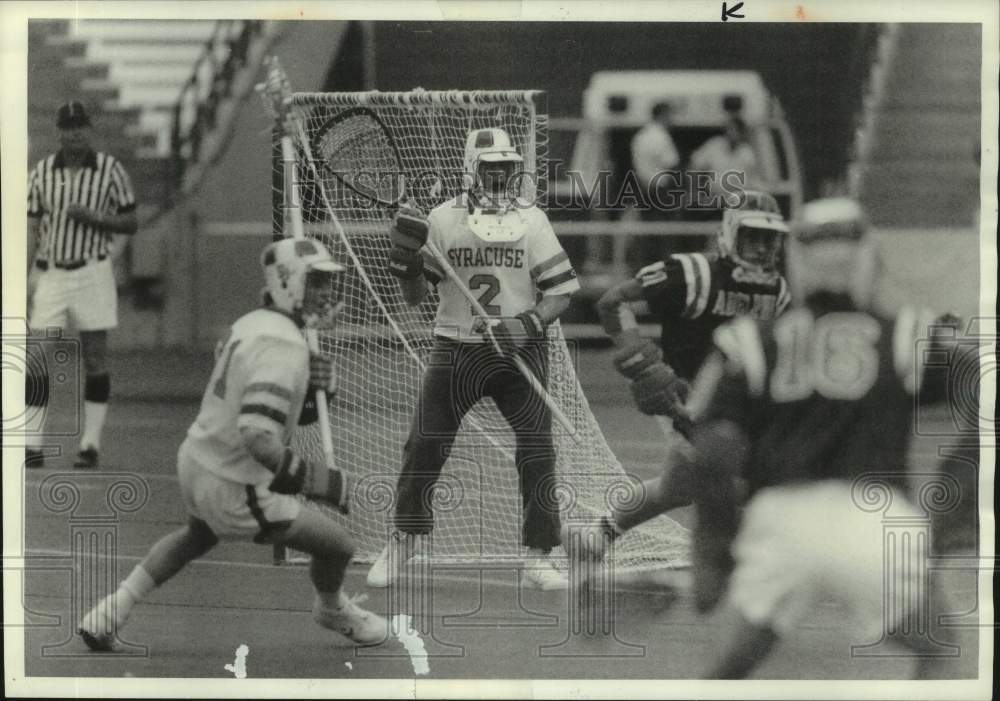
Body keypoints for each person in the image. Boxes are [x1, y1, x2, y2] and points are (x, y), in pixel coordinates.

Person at [684, 197, 961, 678]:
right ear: (868, 256)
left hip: (780, 519)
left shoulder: (751, 339)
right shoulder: (907, 333)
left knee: (728, 667)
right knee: (939, 650)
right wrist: (958, 495)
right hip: (875, 519)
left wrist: (713, 550)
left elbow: (710, 454)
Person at [78, 238, 388, 650]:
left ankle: (110, 611)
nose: (327, 293)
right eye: (315, 281)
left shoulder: (251, 323)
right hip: (235, 480)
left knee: (196, 536)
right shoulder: (282, 345)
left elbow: (266, 415)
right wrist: (320, 483)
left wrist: (315, 396)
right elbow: (258, 436)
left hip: (197, 459)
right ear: (288, 282)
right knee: (338, 546)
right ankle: (331, 609)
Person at [367, 127, 580, 591]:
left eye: (507, 167)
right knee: (425, 443)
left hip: (519, 349)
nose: (500, 176)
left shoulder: (533, 219)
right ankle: (405, 536)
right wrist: (404, 261)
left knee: (538, 449)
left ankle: (539, 554)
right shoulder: (442, 219)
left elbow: (561, 292)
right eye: (491, 168)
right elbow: (414, 298)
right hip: (457, 347)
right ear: (471, 169)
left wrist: (525, 325)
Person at [572, 191, 789, 557]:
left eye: (767, 239)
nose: (758, 248)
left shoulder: (777, 292)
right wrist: (640, 360)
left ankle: (601, 533)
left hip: (741, 398)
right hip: (687, 398)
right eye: (751, 236)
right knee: (749, 476)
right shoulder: (694, 274)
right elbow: (614, 301)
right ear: (731, 234)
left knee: (676, 488)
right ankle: (749, 554)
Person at [25, 101, 139, 469]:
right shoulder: (42, 172)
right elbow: (33, 227)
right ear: (59, 131)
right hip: (53, 271)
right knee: (37, 355)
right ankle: (31, 442)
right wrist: (25, 276)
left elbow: (131, 221)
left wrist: (95, 218)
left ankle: (89, 444)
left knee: (94, 357)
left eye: (80, 126)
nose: (74, 132)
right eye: (68, 126)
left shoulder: (109, 169)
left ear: (89, 129)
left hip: (91, 269)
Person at [689, 115, 763, 212]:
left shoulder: (747, 153)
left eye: (735, 130)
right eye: (729, 129)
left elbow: (754, 181)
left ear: (742, 133)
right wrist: (695, 193)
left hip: (738, 205)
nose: (731, 133)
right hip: (713, 204)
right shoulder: (714, 146)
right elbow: (694, 167)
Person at [631, 101, 681, 217]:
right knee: (663, 227)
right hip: (660, 191)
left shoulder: (640, 136)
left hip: (643, 189)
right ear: (662, 115)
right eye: (669, 116)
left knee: (648, 226)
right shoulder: (661, 136)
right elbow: (672, 164)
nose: (671, 120)